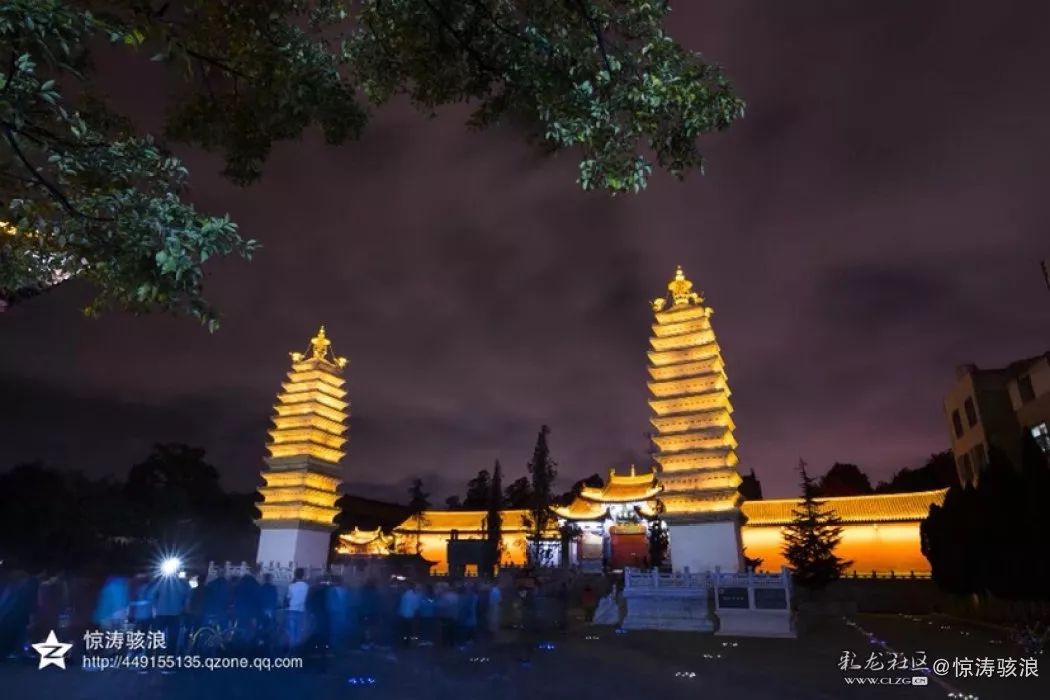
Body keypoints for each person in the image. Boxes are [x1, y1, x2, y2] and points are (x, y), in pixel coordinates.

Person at [152, 573, 190, 655]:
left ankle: (156, 657)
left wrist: (155, 607)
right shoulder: (183, 583)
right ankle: (169, 659)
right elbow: (188, 598)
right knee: (173, 639)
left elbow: (153, 595)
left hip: (161, 613)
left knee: (158, 637)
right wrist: (184, 609)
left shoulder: (161, 582)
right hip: (175, 613)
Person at [285, 568, 308, 648]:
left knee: (291, 632)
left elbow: (288, 598)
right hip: (301, 610)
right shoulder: (306, 586)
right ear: (303, 575)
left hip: (291, 610)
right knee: (298, 631)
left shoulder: (291, 586)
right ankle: (296, 650)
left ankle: (291, 651)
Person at [458, 583, 479, 648]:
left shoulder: (464, 597)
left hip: (466, 618)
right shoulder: (475, 596)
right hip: (472, 618)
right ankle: (470, 642)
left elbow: (464, 607)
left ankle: (464, 644)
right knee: (471, 631)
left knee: (466, 631)